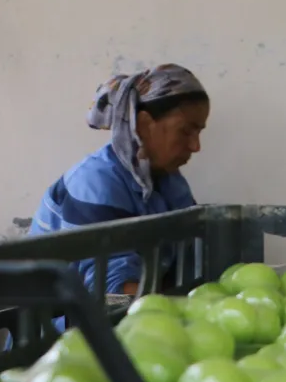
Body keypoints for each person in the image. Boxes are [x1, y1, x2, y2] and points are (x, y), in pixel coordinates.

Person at [29, 63, 209, 295]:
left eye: (199, 132)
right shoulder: (94, 183)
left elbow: (189, 259)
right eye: (186, 131)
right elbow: (112, 291)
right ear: (144, 125)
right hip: (65, 325)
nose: (196, 146)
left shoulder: (170, 182)